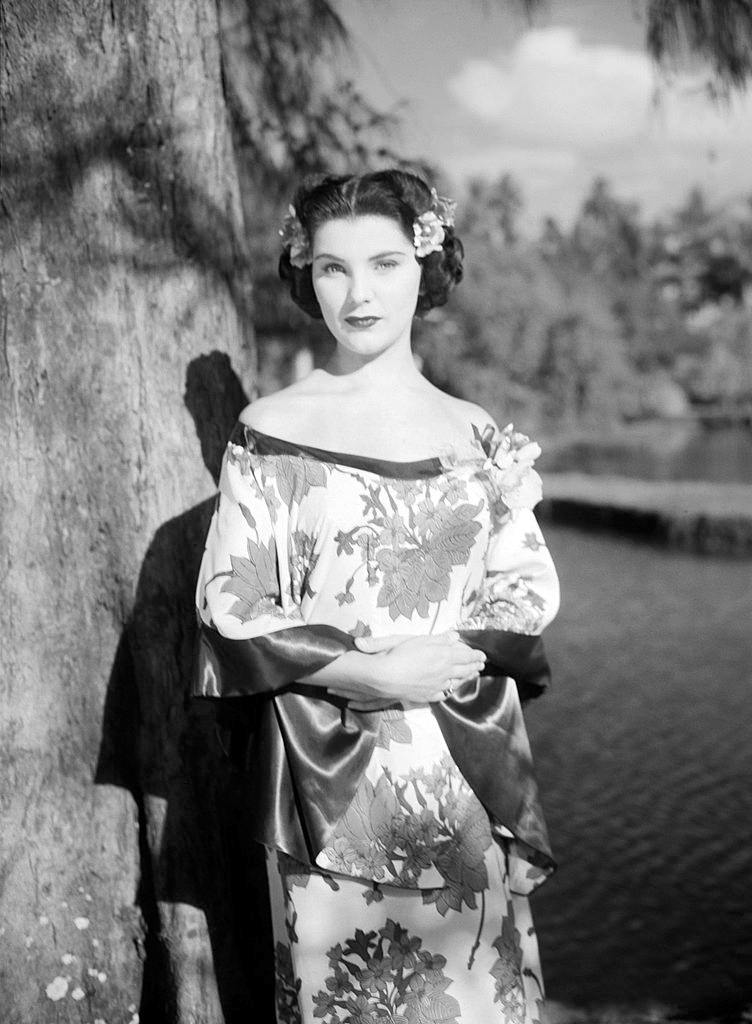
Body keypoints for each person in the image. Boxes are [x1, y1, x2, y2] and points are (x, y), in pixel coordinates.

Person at [194, 169, 560, 1023]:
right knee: (347, 997)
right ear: (304, 271)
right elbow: (231, 600)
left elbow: (521, 585)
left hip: (456, 762)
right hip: (332, 767)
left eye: (384, 263)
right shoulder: (270, 429)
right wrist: (364, 671)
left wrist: (447, 658)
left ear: (423, 266)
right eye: (332, 268)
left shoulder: (474, 433)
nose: (357, 293)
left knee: (478, 995)